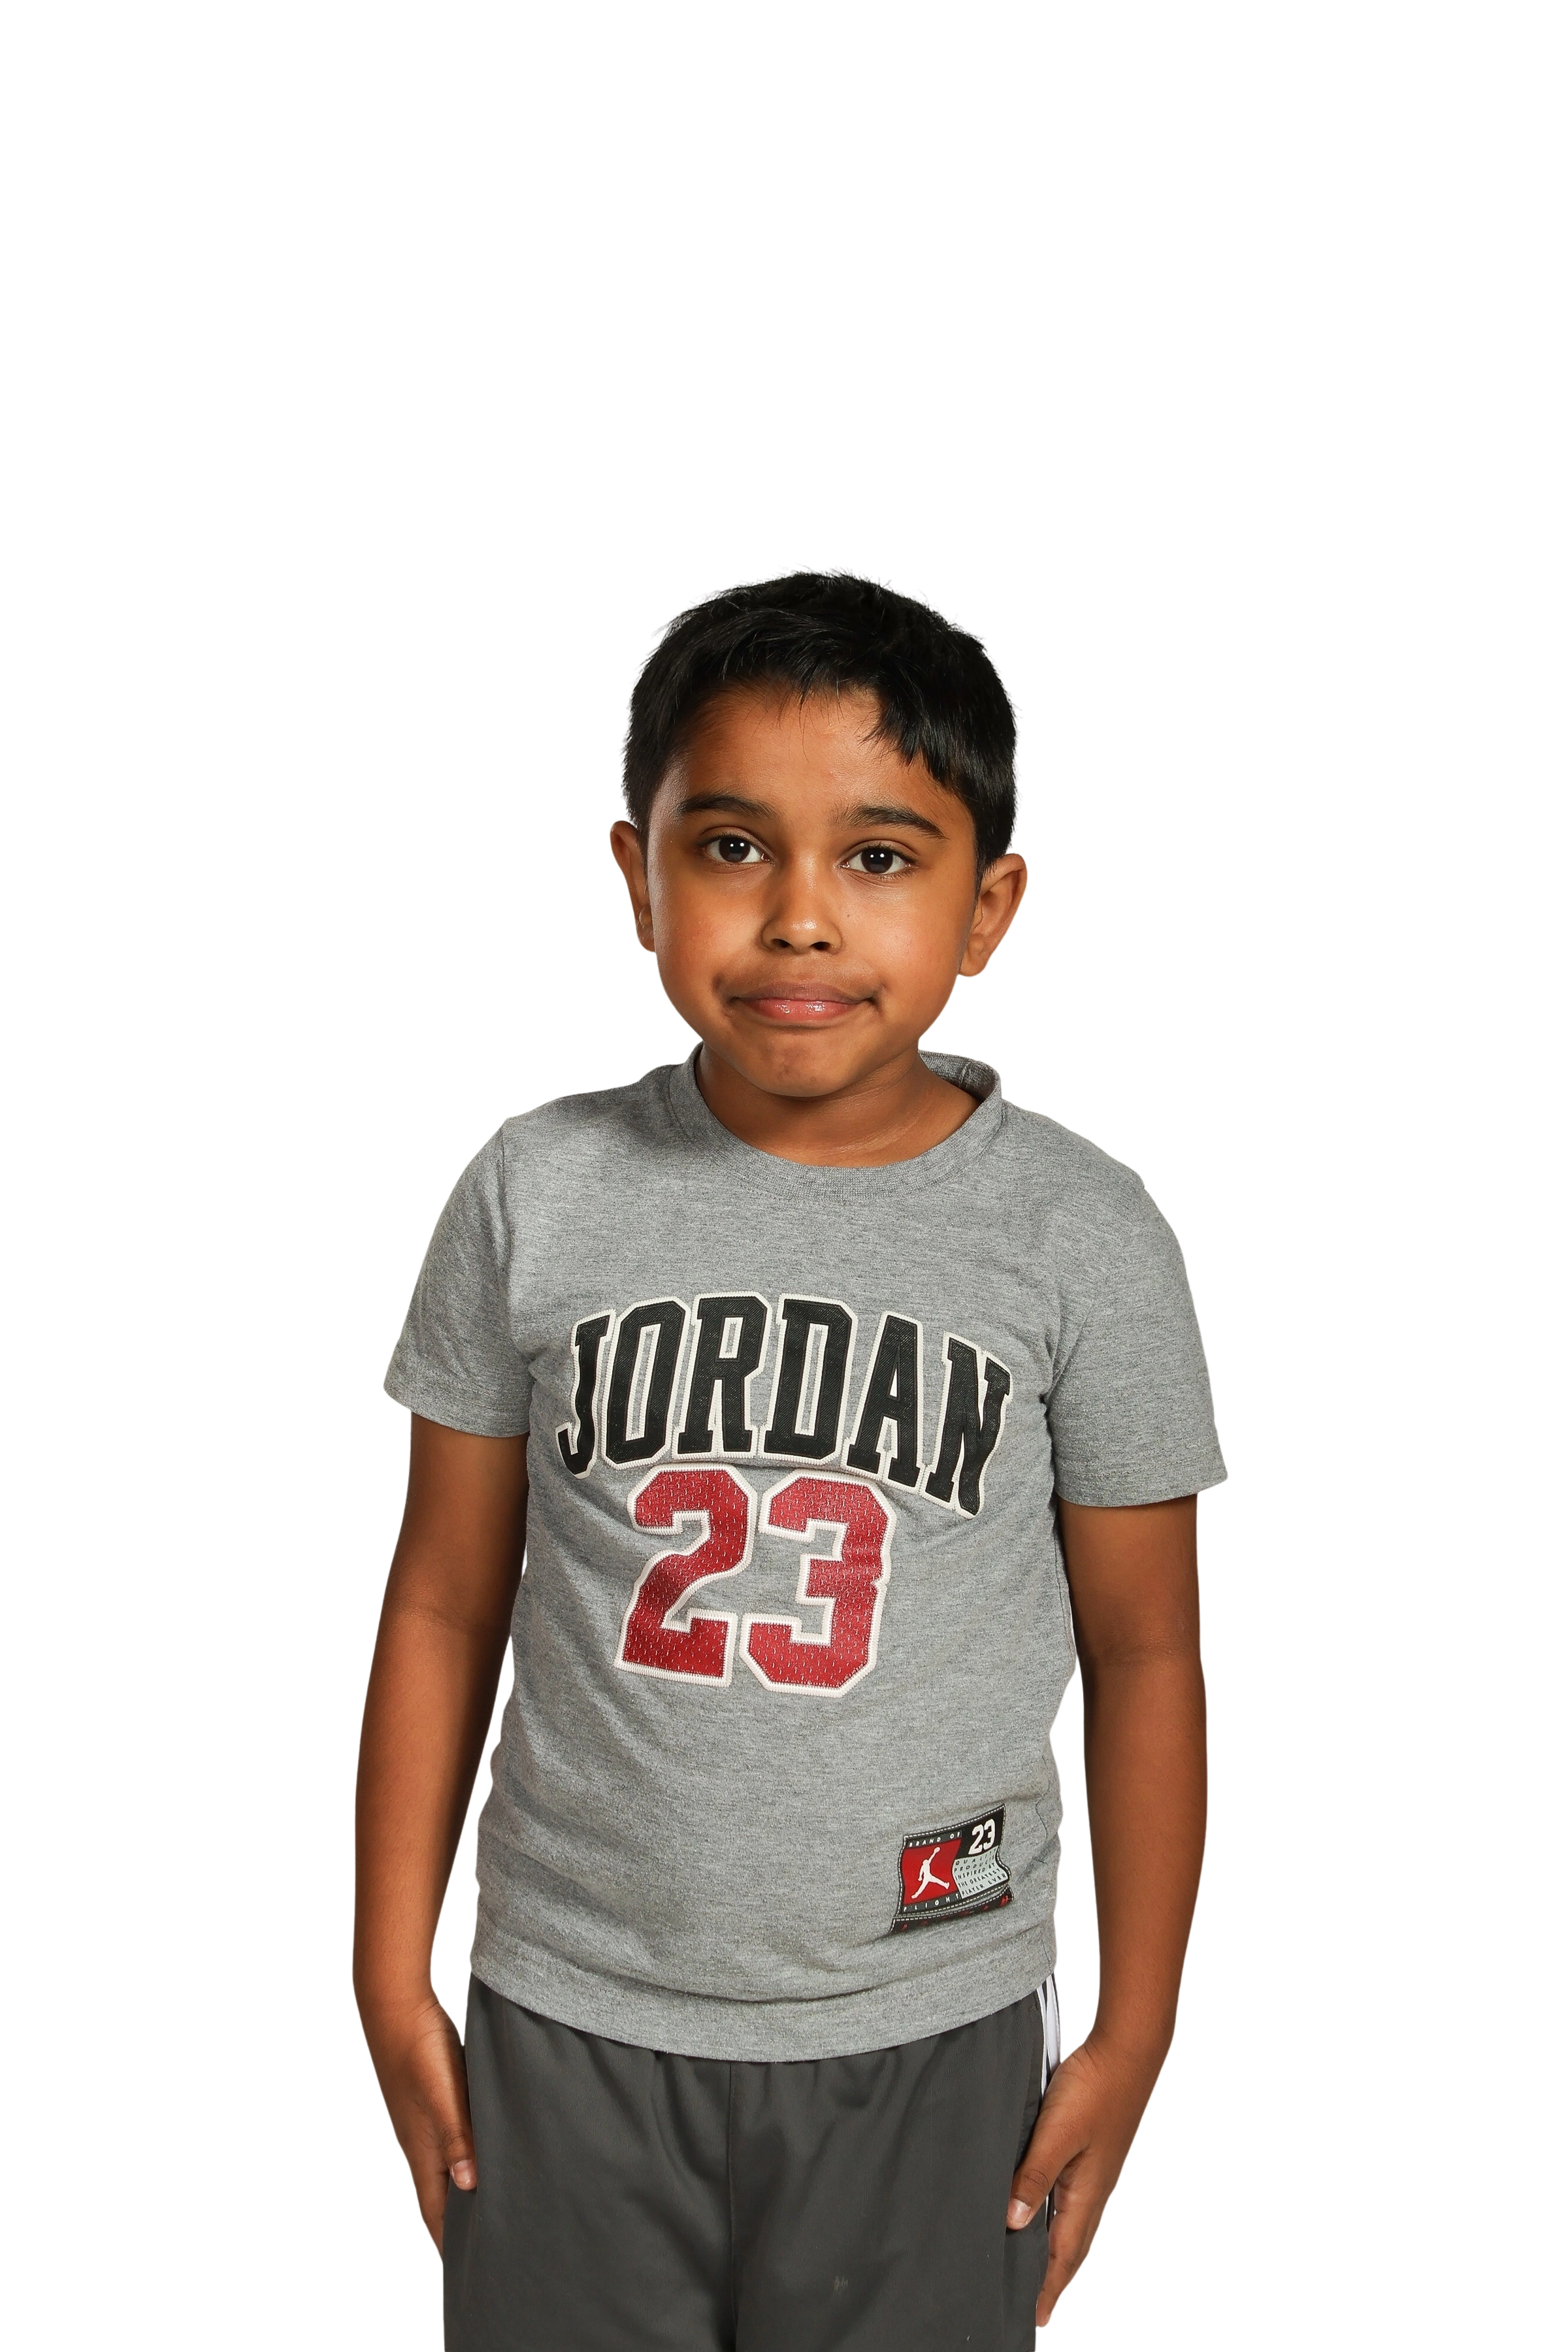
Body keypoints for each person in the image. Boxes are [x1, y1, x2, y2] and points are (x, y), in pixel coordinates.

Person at [352, 563, 1230, 2349]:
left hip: (930, 2022)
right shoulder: (536, 1191)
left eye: (881, 856)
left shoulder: (1083, 1234)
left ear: (991, 905)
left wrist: (1135, 2028)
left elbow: (1149, 1651)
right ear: (637, 875)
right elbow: (442, 1599)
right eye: (735, 846)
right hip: (570, 2015)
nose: (802, 919)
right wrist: (385, 1969)